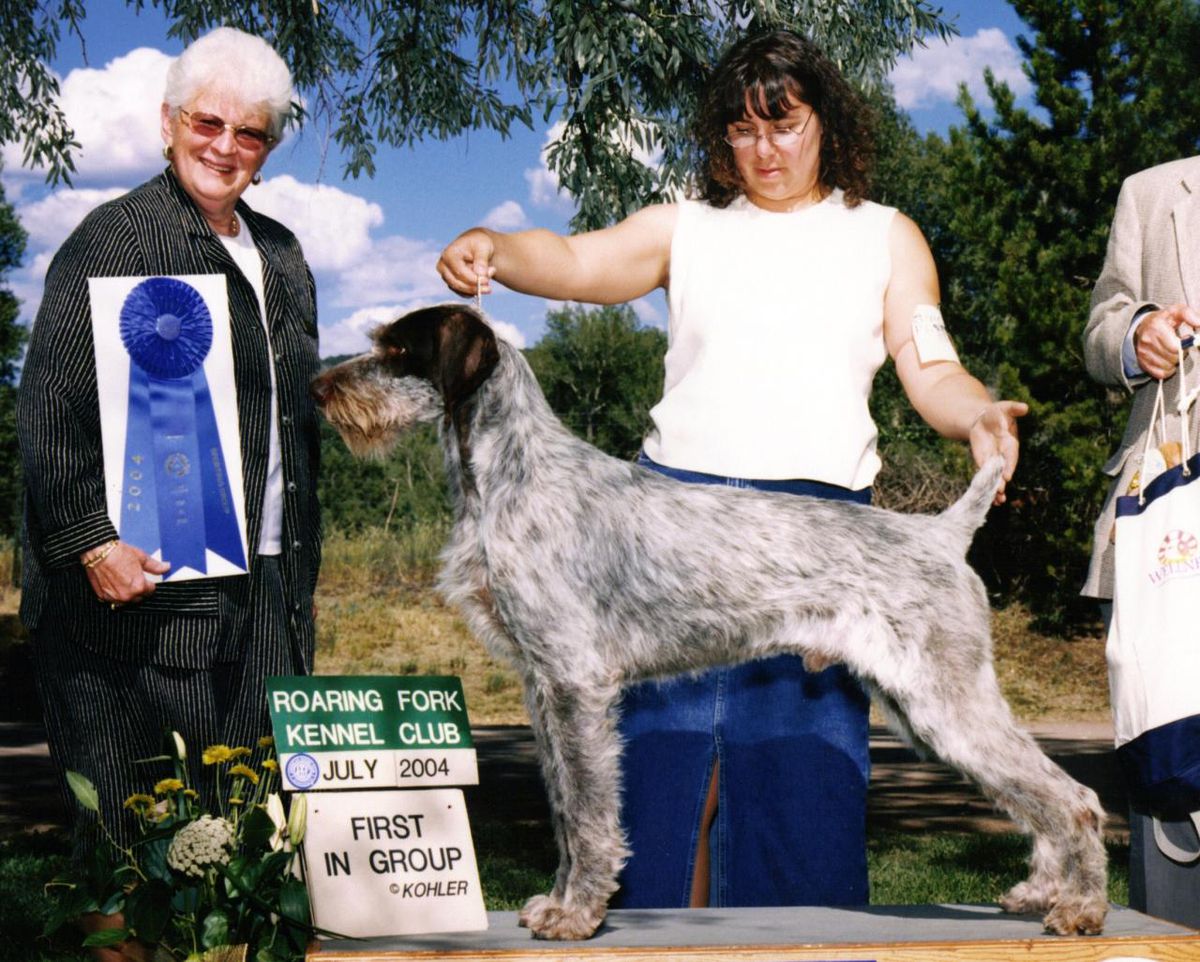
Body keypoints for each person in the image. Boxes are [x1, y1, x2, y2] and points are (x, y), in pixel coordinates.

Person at [438, 28, 1026, 909]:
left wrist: (976, 413)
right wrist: (496, 247)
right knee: (663, 812)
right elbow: (576, 262)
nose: (766, 149)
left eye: (785, 125)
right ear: (720, 141)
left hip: (819, 545)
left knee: (802, 821)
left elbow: (929, 364)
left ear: (827, 123)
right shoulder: (687, 229)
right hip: (666, 538)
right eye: (743, 132)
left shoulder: (886, 236)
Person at [17, 27, 322, 859]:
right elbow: (48, 407)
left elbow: (291, 417)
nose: (226, 148)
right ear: (168, 124)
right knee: (131, 847)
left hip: (264, 592)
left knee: (253, 841)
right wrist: (89, 544)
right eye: (207, 124)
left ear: (268, 148)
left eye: (250, 132)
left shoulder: (285, 257)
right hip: (131, 603)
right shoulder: (113, 239)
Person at [1083, 155, 1200, 927]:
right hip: (1173, 543)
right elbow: (1099, 332)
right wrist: (1138, 334)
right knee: (1175, 810)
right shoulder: (1154, 192)